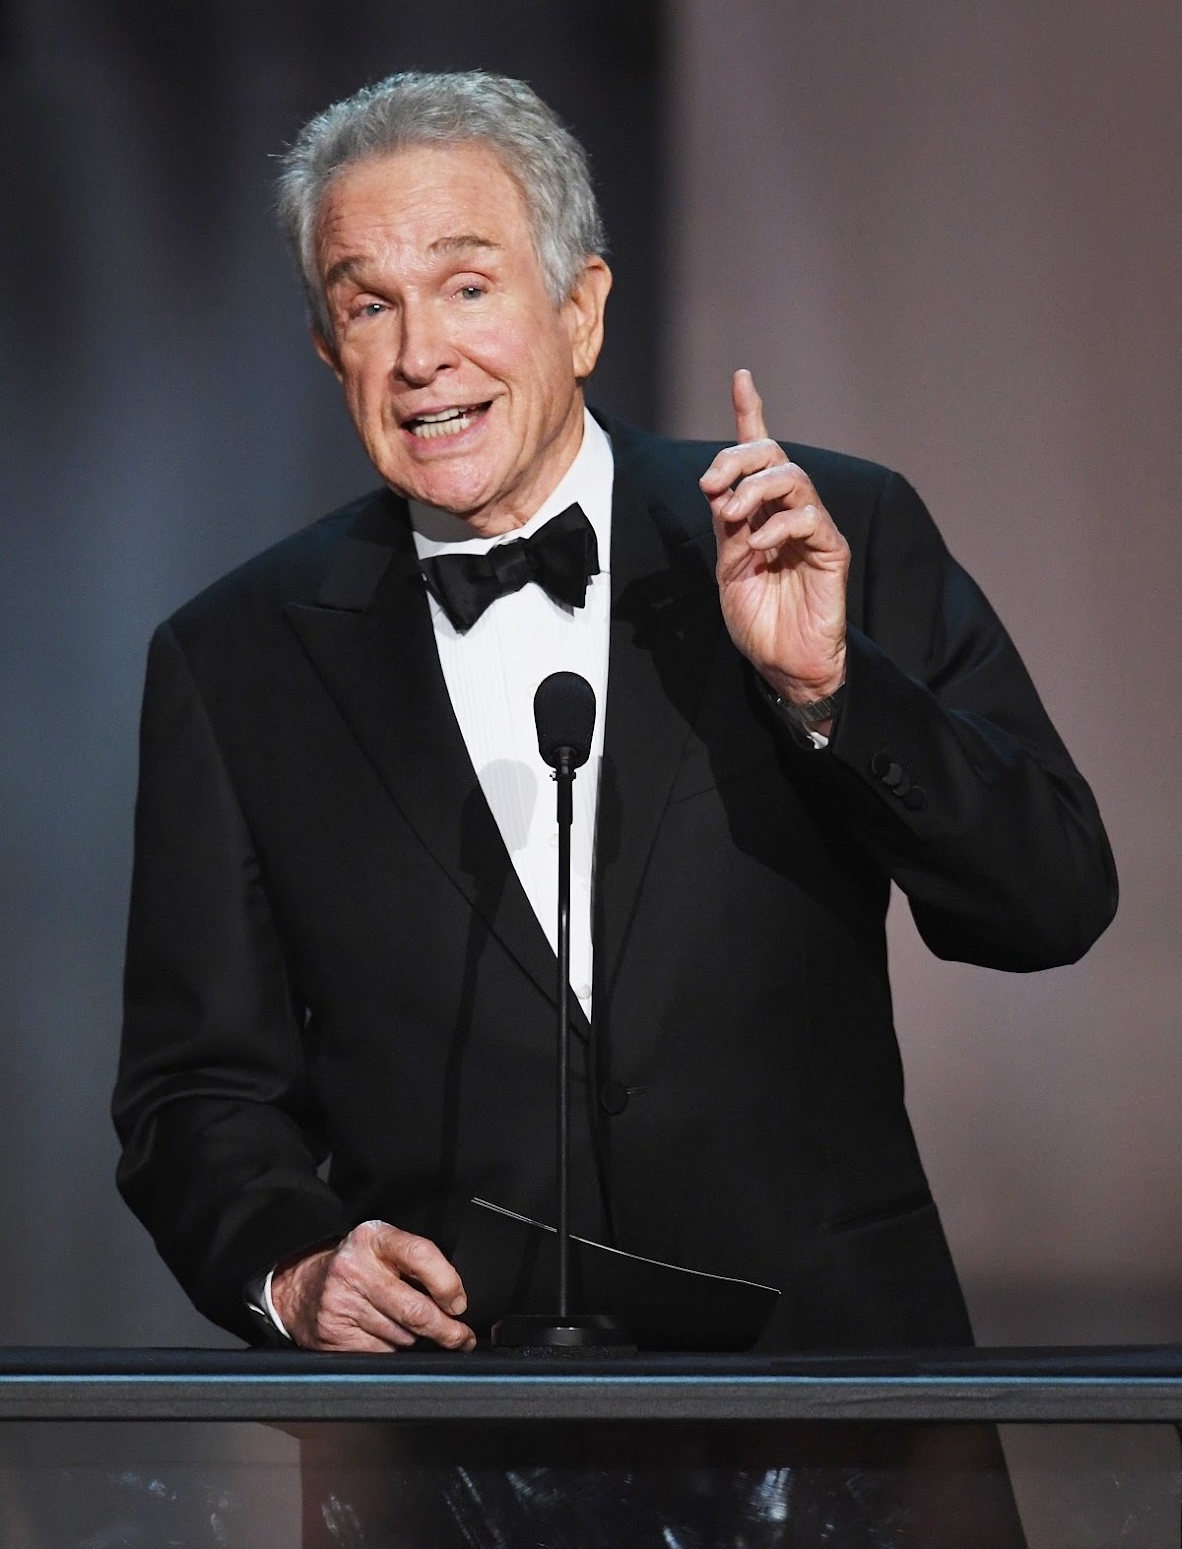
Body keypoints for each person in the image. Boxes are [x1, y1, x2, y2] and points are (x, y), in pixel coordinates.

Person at [113, 70, 1116, 1363]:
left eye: (467, 286)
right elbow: (196, 1087)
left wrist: (828, 686)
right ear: (328, 348)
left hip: (831, 1398)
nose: (422, 354)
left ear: (579, 309)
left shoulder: (821, 530)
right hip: (457, 1435)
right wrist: (290, 1265)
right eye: (371, 304)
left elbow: (1049, 905)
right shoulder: (232, 657)